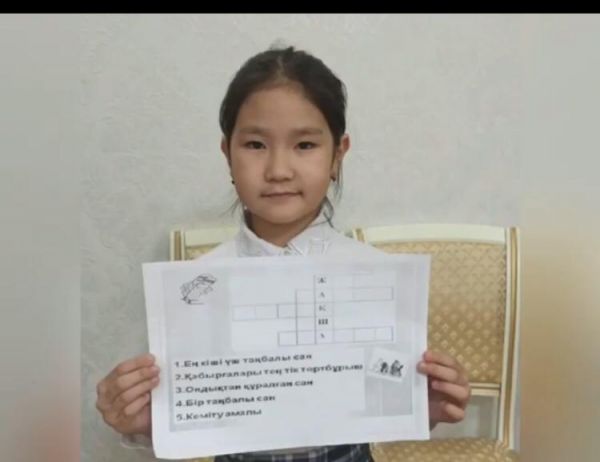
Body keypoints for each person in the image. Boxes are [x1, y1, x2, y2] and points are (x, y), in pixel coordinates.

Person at [95, 45, 471, 462]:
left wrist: (423, 406)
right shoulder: (195, 289)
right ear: (227, 153)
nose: (278, 170)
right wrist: (143, 420)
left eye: (305, 145)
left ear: (338, 154)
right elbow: (187, 414)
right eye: (255, 144)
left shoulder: (375, 281)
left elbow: (382, 398)